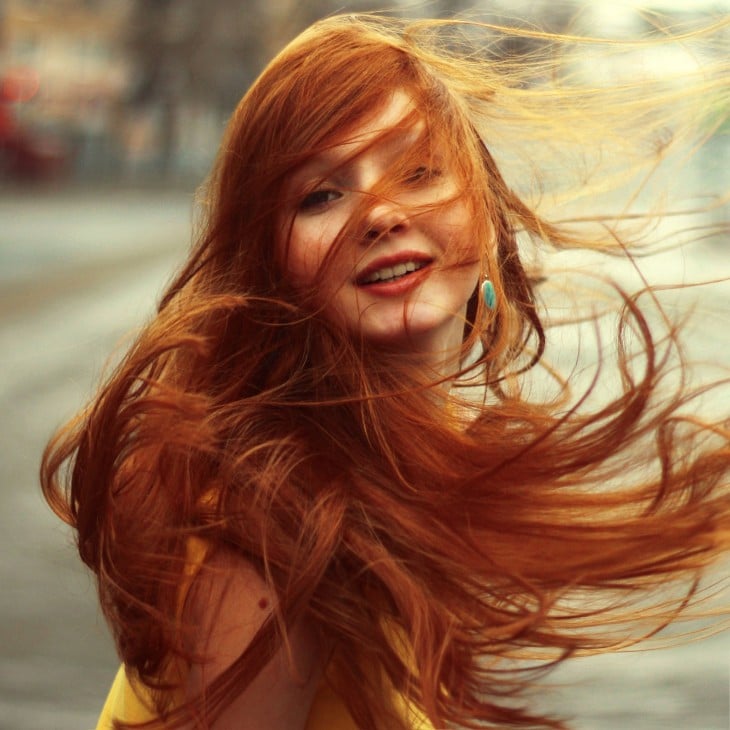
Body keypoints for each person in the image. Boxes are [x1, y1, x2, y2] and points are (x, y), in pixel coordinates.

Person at [41, 13, 730, 730]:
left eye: (419, 171)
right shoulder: (268, 529)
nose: (380, 214)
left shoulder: (395, 474)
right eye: (320, 195)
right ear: (269, 265)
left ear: (485, 209)